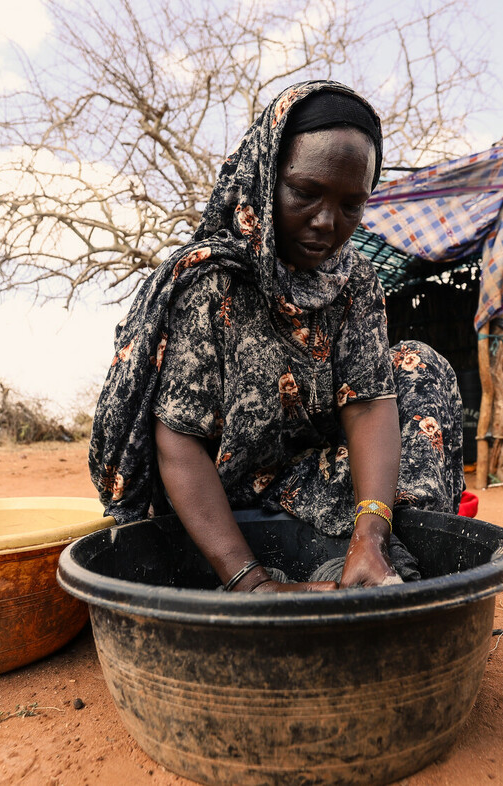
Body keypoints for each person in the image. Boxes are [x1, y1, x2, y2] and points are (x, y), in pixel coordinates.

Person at [89, 80, 464, 592]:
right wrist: (254, 584)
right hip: (220, 506)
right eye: (305, 193)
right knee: (243, 574)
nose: (327, 222)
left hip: (307, 487)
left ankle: (373, 559)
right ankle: (263, 577)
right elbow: (178, 443)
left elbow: (369, 404)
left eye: (352, 204)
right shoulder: (212, 283)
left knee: (419, 368)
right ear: (268, 178)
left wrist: (370, 532)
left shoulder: (354, 284)